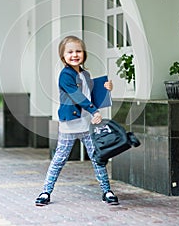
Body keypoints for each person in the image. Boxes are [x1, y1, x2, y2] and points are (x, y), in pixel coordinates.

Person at [35, 35, 119, 206]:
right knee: (60, 159)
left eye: (78, 51)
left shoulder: (86, 74)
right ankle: (45, 191)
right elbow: (77, 96)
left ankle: (107, 191)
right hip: (70, 124)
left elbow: (93, 95)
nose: (75, 55)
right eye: (70, 52)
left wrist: (107, 89)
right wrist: (94, 110)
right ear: (63, 56)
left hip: (88, 124)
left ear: (84, 54)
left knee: (97, 157)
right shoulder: (65, 75)